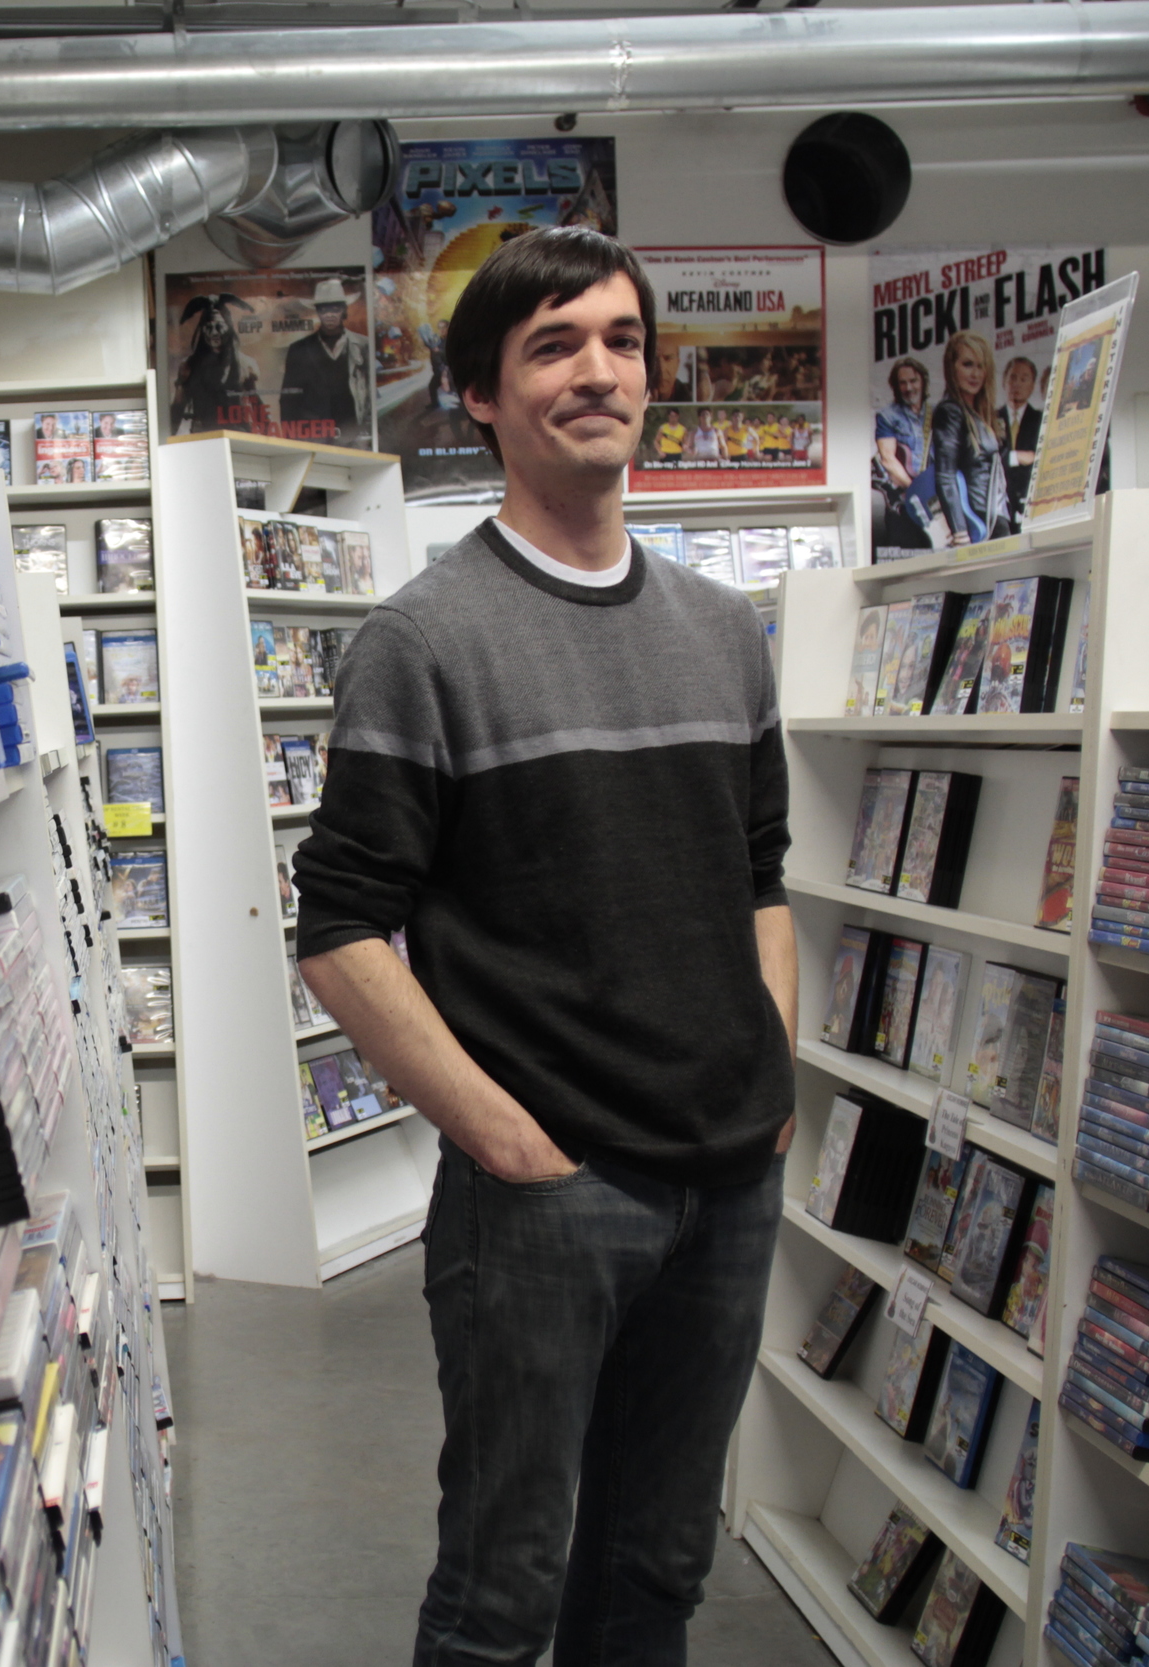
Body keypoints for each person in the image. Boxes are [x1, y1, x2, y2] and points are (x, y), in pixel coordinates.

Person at [293, 226, 795, 1667]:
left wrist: (774, 1073)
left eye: (623, 341)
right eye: (554, 345)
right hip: (550, 1197)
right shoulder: (426, 639)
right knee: (502, 1588)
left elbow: (762, 876)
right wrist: (509, 1139)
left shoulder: (722, 630)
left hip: (730, 1176)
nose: (598, 371)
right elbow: (338, 930)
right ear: (481, 395)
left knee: (660, 1563)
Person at [931, 331, 1010, 545]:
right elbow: (945, 475)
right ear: (952, 367)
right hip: (978, 522)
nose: (975, 374)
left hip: (994, 518)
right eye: (967, 364)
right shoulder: (951, 412)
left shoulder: (979, 414)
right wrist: (960, 531)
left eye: (980, 366)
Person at [279, 276, 372, 448]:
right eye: (323, 309)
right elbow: (288, 399)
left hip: (352, 432)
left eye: (335, 308)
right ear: (317, 312)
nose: (329, 314)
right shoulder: (299, 349)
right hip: (313, 435)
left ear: (344, 310)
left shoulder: (363, 345)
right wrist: (290, 440)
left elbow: (370, 395)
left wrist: (368, 432)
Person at [169, 292, 263, 434]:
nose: (214, 333)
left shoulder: (245, 364)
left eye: (219, 326)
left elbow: (256, 404)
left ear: (229, 327)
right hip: (203, 435)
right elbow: (178, 406)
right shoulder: (189, 366)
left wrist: (270, 438)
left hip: (238, 435)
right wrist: (167, 439)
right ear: (202, 329)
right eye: (208, 327)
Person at [872, 356, 937, 551]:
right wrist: (916, 489)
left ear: (923, 382)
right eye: (903, 383)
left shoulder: (938, 413)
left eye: (913, 381)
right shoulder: (888, 416)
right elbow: (888, 459)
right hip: (903, 501)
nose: (909, 388)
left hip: (936, 499)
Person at [996, 353, 1042, 517]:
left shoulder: (1041, 420)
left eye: (1024, 379)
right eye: (1013, 378)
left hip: (1030, 501)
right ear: (1004, 382)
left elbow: (1041, 458)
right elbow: (988, 459)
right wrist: (1016, 457)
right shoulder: (991, 419)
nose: (1017, 384)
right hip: (998, 503)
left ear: (1032, 385)